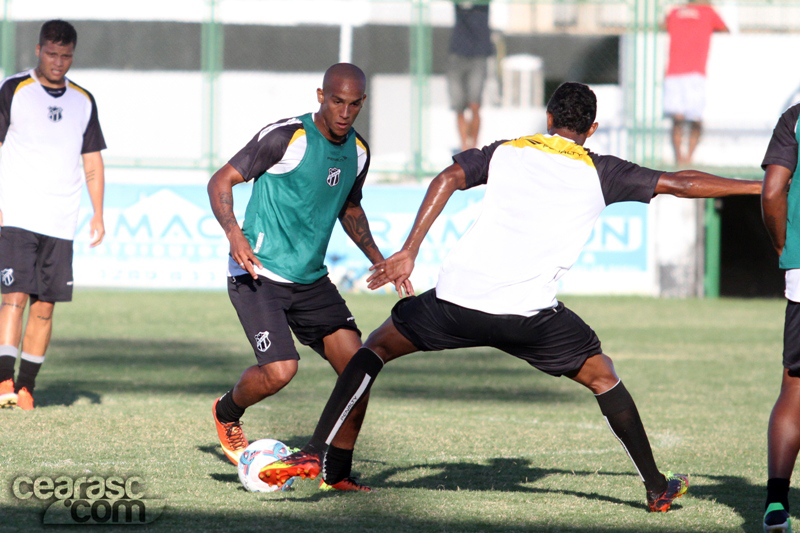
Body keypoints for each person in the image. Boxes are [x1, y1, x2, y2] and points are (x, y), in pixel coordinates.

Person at [260, 82, 762, 511]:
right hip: (529, 318)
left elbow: (449, 178)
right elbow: (681, 182)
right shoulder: (601, 169)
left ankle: (318, 453)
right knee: (603, 376)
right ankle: (656, 487)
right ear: (591, 129)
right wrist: (760, 187)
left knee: (373, 349)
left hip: (456, 301)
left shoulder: (507, 149)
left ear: (547, 119)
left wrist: (410, 249)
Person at [207, 63, 410, 491]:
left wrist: (380, 258)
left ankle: (335, 474)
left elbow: (350, 207)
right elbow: (221, 179)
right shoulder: (287, 137)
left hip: (311, 280)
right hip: (257, 272)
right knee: (281, 371)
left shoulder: (358, 151)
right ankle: (227, 412)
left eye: (354, 104)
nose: (344, 111)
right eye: (337, 101)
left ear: (363, 104)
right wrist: (233, 234)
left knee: (360, 370)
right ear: (321, 95)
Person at [0, 20, 106, 411]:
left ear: (72, 55)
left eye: (65, 56)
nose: (58, 62)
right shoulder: (13, 89)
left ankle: (26, 387)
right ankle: (3, 381)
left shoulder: (84, 100)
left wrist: (97, 213)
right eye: (51, 53)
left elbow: (92, 161)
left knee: (45, 307)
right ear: (38, 51)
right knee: (13, 298)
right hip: (17, 214)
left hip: (61, 221)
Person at [760, 102, 800, 533]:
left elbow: (772, 191)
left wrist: (783, 247)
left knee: (795, 386)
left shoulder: (796, 117)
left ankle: (776, 504)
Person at [663, 0, 728, 167]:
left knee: (678, 119)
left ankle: (681, 159)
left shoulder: (675, 12)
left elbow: (663, 26)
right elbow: (725, 30)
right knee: (693, 118)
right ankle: (686, 159)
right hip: (695, 73)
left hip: (674, 72)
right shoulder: (708, 12)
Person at [447, 1, 494, 152]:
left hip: (478, 55)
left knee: (475, 105)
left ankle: (472, 147)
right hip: (457, 54)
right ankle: (464, 147)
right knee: (459, 107)